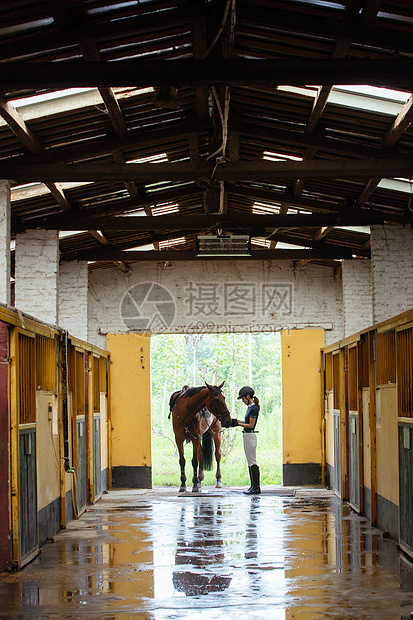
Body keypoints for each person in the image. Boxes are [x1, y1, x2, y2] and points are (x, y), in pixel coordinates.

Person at [231, 386, 261, 495]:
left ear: (248, 396)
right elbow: (245, 421)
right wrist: (234, 421)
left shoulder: (254, 408)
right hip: (246, 436)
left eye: (243, 398)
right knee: (249, 462)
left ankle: (256, 487)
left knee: (252, 461)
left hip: (250, 436)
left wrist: (237, 424)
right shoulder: (249, 408)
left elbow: (251, 425)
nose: (242, 400)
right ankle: (253, 486)